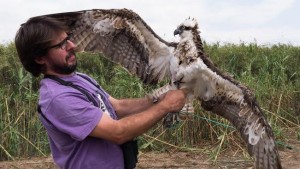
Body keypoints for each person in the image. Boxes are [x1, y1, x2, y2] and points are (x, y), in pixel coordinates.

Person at [14, 16, 186, 169]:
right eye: (61, 45)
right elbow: (118, 132)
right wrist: (165, 106)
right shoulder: (58, 98)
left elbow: (116, 106)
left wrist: (157, 98)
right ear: (39, 58)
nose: (72, 45)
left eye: (68, 39)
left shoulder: (78, 78)